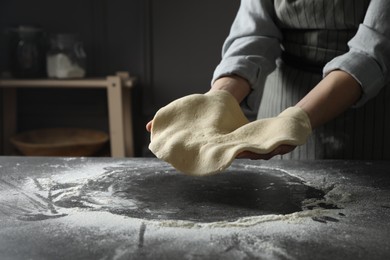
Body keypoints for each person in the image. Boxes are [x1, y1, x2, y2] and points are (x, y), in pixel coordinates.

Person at [147, 0, 390, 160]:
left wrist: (295, 120)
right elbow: (254, 33)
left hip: (368, 112)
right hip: (282, 102)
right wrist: (219, 98)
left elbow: (372, 51)